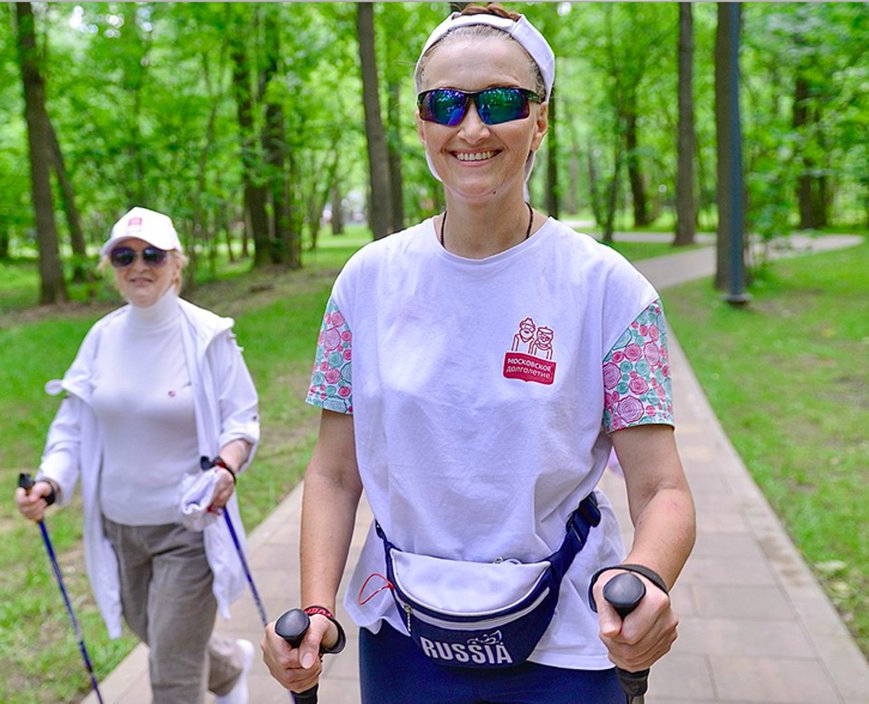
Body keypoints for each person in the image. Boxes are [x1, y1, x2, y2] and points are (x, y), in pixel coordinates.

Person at [261, 4, 696, 702]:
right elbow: (335, 473)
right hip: (404, 639)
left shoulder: (611, 289)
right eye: (444, 104)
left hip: (566, 639)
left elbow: (661, 489)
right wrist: (317, 609)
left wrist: (646, 578)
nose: (471, 127)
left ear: (541, 120)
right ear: (420, 124)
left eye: (500, 101)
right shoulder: (364, 285)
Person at [15, 206, 259, 704]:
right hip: (119, 526)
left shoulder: (208, 334)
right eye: (124, 256)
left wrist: (228, 466)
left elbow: (242, 422)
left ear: (176, 265)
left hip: (187, 526)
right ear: (111, 267)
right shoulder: (102, 337)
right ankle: (230, 667)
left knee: (171, 669)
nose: (139, 266)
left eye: (153, 254)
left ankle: (217, 674)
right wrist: (51, 482)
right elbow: (72, 426)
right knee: (152, 629)